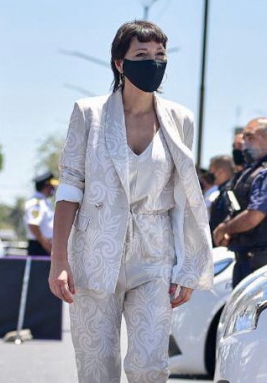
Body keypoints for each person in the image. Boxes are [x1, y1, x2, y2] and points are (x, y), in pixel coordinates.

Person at [48, 20, 213, 383]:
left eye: (160, 55)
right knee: (97, 367)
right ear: (120, 63)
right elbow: (71, 185)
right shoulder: (88, 113)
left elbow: (184, 197)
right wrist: (59, 259)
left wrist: (188, 265)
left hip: (155, 256)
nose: (153, 61)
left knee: (149, 365)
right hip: (94, 254)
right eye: (142, 55)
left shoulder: (179, 118)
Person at [213, 117, 267, 286]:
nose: (245, 144)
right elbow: (239, 207)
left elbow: (254, 215)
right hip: (249, 259)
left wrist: (225, 229)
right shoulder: (255, 170)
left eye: (250, 137)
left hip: (263, 261)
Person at [24, 171, 56, 256]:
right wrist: (47, 245)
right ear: (46, 185)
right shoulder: (36, 203)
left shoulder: (45, 202)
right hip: (40, 247)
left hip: (45, 245)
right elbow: (33, 225)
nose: (53, 188)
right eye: (52, 185)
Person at [207, 154, 237, 238]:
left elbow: (234, 214)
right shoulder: (223, 191)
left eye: (212, 173)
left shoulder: (230, 192)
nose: (210, 177)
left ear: (220, 172)